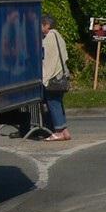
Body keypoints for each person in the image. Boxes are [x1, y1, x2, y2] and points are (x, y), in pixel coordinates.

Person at [41, 14, 71, 142]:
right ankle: (65, 131)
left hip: (53, 77)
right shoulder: (59, 36)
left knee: (53, 103)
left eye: (41, 25)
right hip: (62, 76)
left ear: (47, 25)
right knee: (58, 103)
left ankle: (58, 132)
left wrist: (44, 77)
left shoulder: (49, 38)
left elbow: (47, 59)